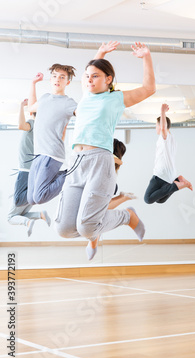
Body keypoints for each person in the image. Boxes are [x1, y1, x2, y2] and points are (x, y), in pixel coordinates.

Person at [54, 41, 155, 261]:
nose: (89, 79)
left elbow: (149, 89)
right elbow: (87, 73)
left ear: (108, 79)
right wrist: (100, 53)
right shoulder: (86, 96)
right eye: (88, 76)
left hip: (99, 160)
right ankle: (98, 229)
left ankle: (127, 217)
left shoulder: (116, 98)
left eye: (96, 76)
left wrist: (146, 57)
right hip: (76, 162)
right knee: (63, 229)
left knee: (88, 228)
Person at [25, 64, 77, 206]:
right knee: (30, 199)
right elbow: (31, 107)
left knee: (40, 197)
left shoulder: (68, 103)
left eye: (62, 77)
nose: (57, 79)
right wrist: (33, 83)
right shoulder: (44, 98)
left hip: (52, 153)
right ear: (50, 79)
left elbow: (83, 115)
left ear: (67, 82)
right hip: (38, 153)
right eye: (54, 76)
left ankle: (72, 173)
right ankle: (65, 174)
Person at [7, 99, 50, 236]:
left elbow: (21, 125)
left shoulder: (33, 123)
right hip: (34, 170)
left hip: (26, 169)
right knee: (23, 211)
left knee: (10, 216)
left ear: (31, 112)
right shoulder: (43, 128)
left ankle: (28, 222)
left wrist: (21, 106)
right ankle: (39, 214)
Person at [144, 103, 192, 205]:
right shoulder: (172, 138)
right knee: (160, 200)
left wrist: (162, 112)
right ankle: (177, 180)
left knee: (148, 199)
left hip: (161, 174)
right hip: (170, 175)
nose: (156, 128)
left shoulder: (164, 138)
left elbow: (163, 128)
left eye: (156, 125)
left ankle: (177, 185)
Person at [108, 138, 137, 209]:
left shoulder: (105, 157)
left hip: (109, 185)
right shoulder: (111, 163)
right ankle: (122, 197)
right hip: (111, 185)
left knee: (101, 208)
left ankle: (124, 197)